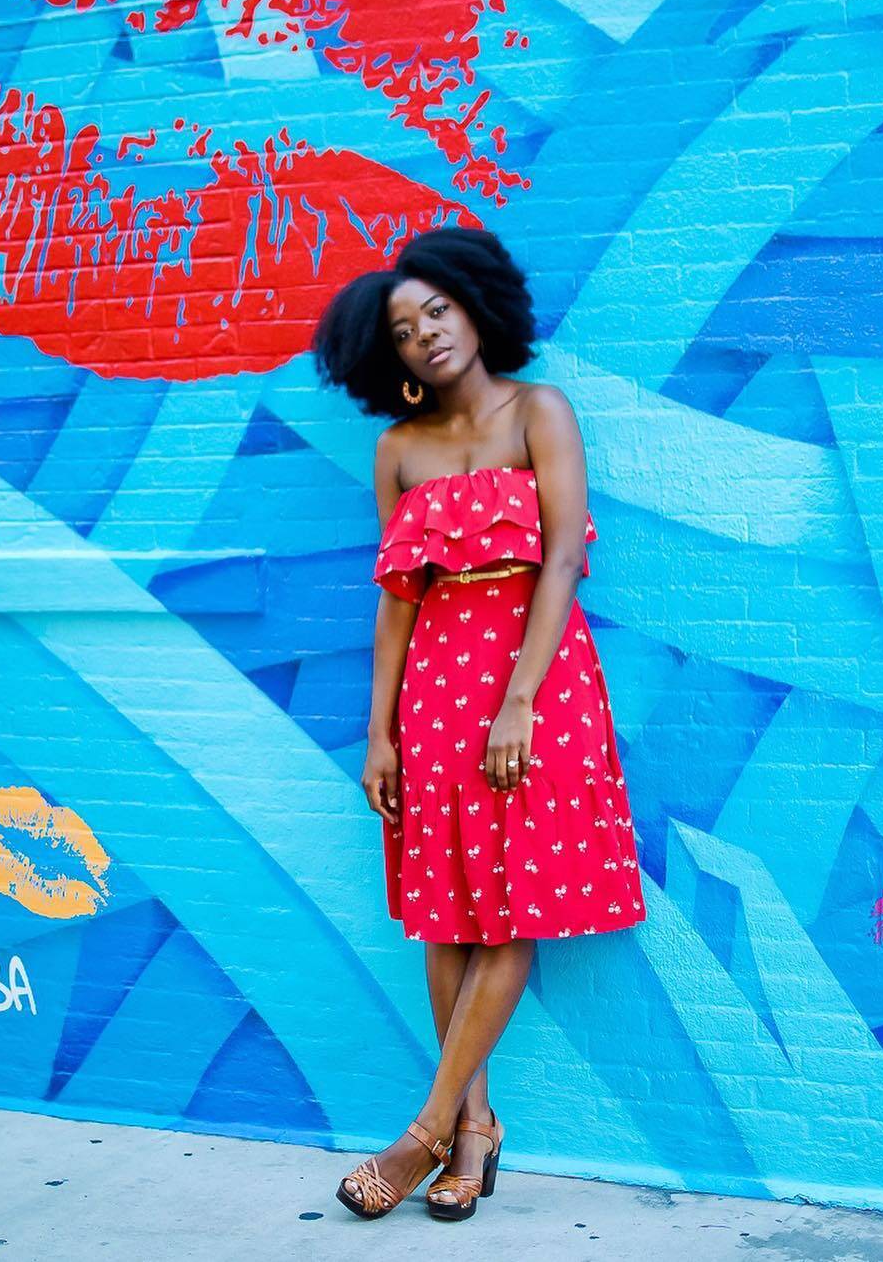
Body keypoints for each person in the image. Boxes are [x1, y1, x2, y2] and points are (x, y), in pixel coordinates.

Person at [312, 226, 646, 1222]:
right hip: (432, 692)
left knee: (513, 903)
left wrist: (519, 700)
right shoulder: (399, 448)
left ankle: (419, 1135)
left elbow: (558, 564)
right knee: (445, 906)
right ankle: (474, 1128)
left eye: (437, 312)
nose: (426, 335)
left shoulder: (540, 411)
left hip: (534, 687)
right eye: (406, 331)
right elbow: (397, 603)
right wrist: (379, 734)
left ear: (474, 306)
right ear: (394, 357)